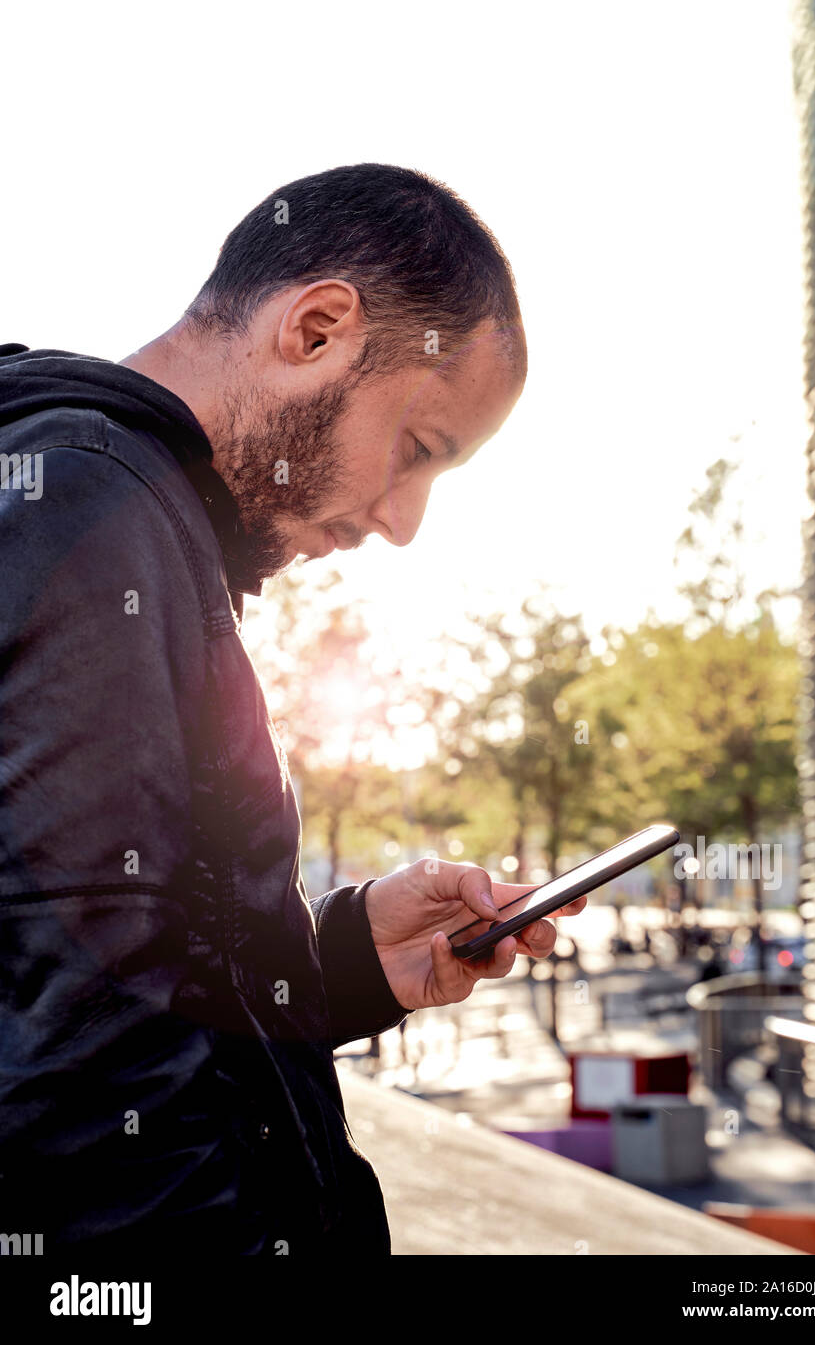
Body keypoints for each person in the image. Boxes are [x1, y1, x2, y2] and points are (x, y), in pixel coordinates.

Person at [0, 164, 585, 1258]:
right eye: (418, 451)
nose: (405, 522)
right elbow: (87, 1086)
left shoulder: (123, 514)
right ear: (316, 329)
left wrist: (353, 958)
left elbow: (122, 974)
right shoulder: (90, 508)